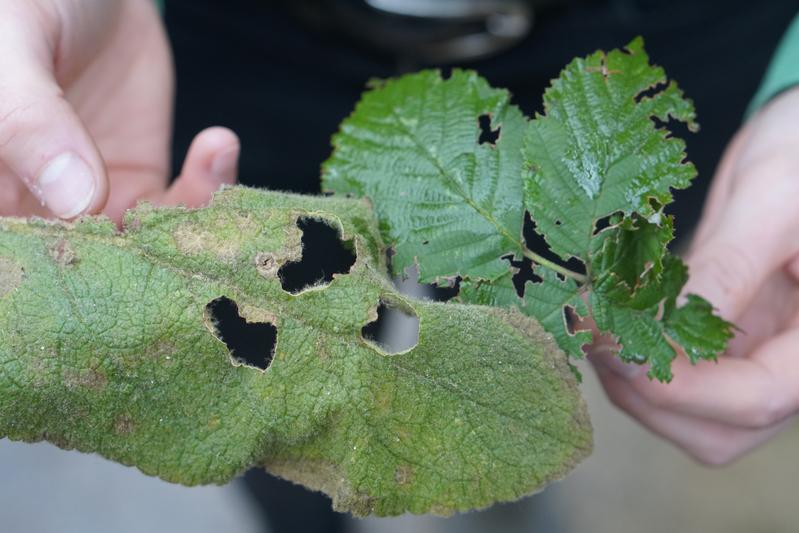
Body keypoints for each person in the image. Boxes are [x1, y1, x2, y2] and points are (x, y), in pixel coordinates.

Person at [0, 0, 797, 496]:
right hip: (221, 37)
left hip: (678, 27)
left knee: (533, 338)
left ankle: (505, 472)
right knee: (272, 368)